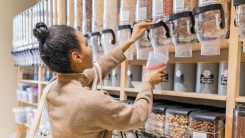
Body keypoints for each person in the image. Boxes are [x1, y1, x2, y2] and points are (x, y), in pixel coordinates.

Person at [33, 22, 167, 138]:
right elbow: (137, 116)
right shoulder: (91, 102)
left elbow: (100, 66)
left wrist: (131, 40)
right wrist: (147, 83)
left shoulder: (53, 86)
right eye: (87, 45)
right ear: (77, 57)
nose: (91, 48)